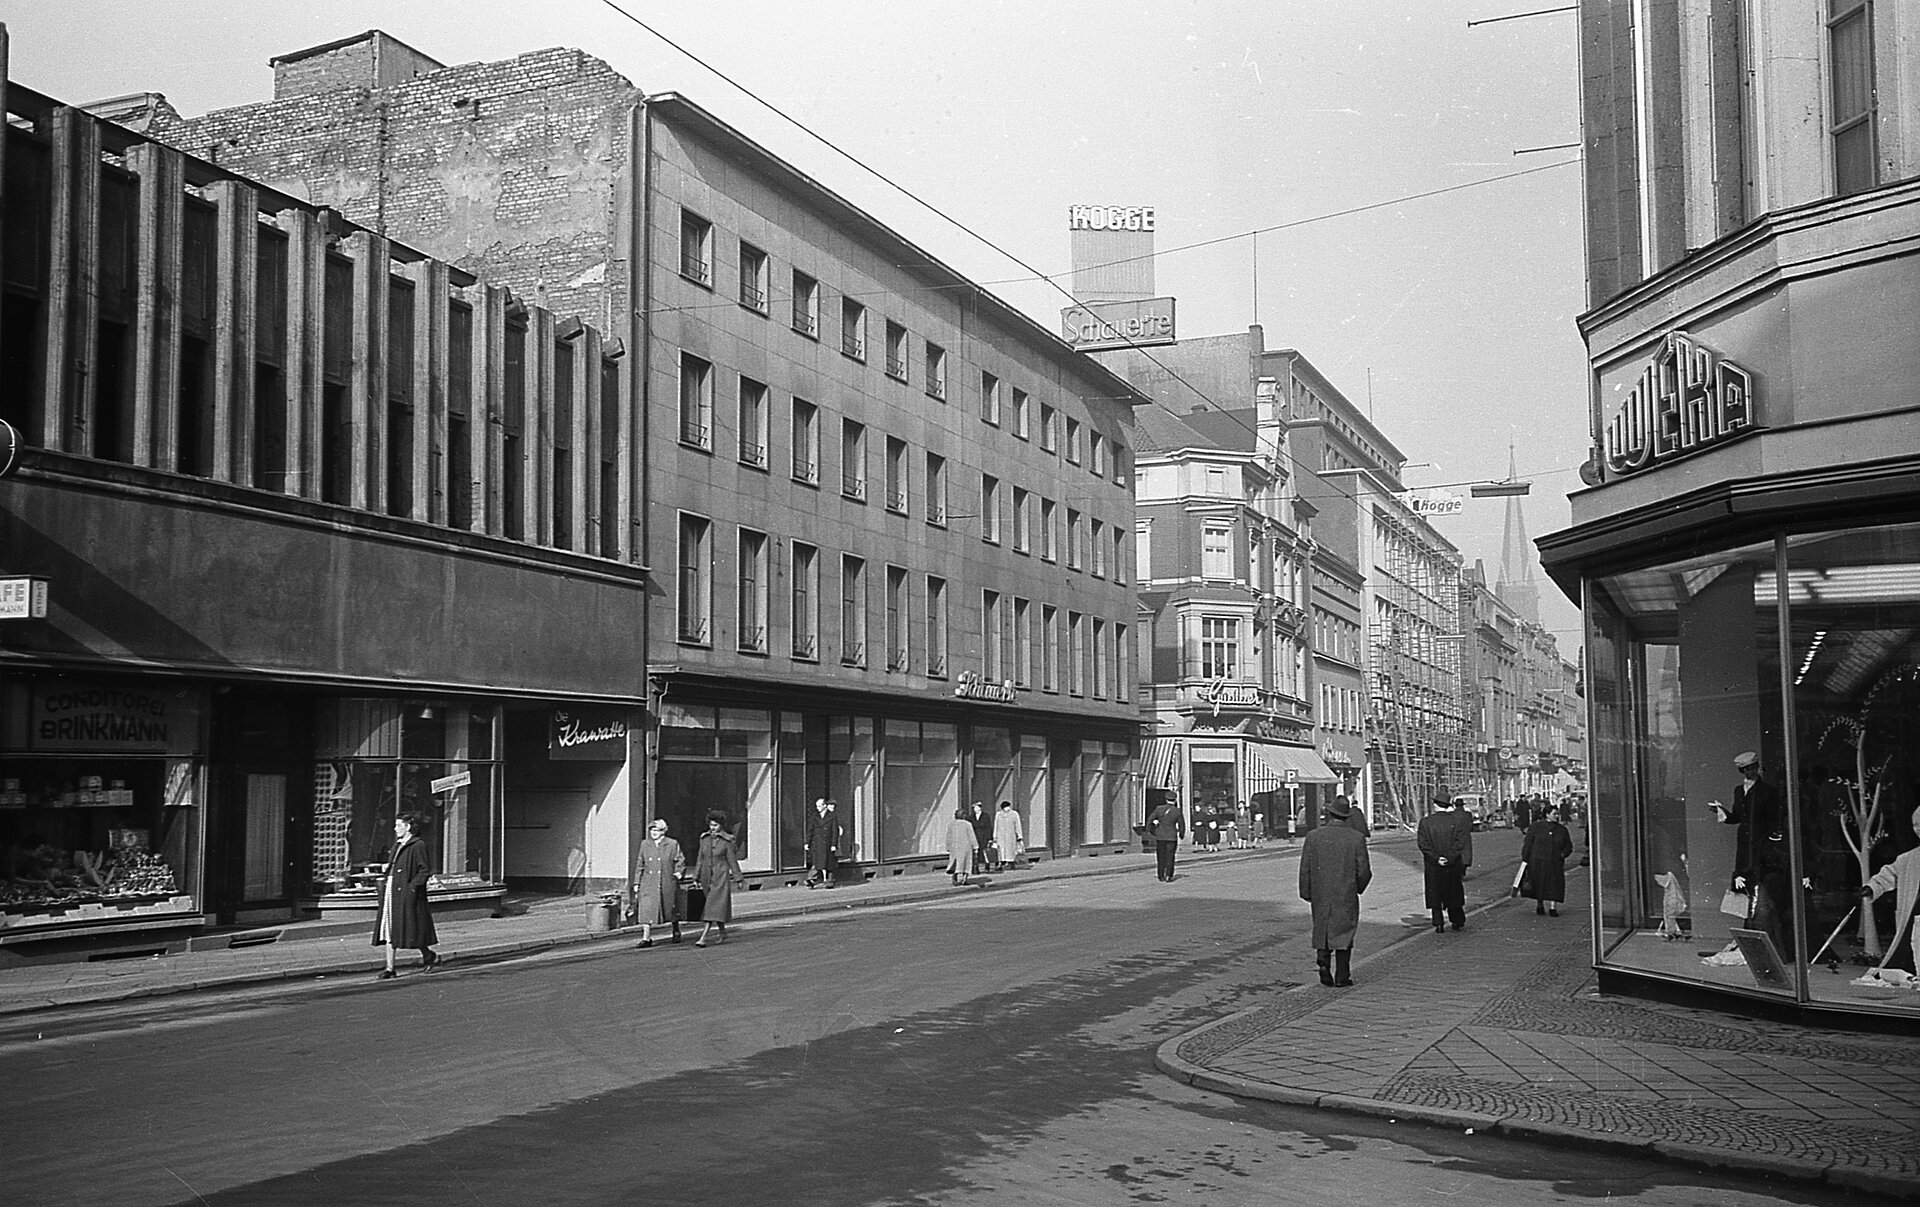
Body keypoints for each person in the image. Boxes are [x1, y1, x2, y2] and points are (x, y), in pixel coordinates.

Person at [1708, 751, 1797, 958]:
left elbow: (1775, 821)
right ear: (1742, 770)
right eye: (1747, 768)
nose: (1750, 771)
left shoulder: (1768, 791)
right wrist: (1721, 811)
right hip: (1745, 848)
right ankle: (1753, 940)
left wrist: (1771, 844)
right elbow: (1737, 817)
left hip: (1763, 847)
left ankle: (1771, 944)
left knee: (1763, 893)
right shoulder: (1739, 791)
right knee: (1748, 893)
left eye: (1753, 767)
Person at [1300, 795, 1373, 987]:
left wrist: (1307, 892)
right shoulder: (1356, 838)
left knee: (1322, 926)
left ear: (1329, 814)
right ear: (1347, 816)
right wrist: (1357, 887)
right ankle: (1342, 975)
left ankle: (1323, 960)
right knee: (1345, 931)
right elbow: (1364, 870)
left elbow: (1305, 867)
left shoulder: (1313, 836)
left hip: (1321, 892)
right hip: (1345, 892)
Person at [372, 810, 439, 978]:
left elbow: (424, 870)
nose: (395, 829)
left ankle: (429, 956)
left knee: (412, 929)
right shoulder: (398, 845)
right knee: (390, 927)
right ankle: (390, 968)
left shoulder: (418, 845)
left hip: (407, 892)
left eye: (398, 825)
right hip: (392, 890)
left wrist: (412, 888)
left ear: (408, 827)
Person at [1859, 805, 1920, 976]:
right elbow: (1890, 873)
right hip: (1915, 911)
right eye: (1915, 825)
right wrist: (1872, 887)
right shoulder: (1909, 858)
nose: (1918, 829)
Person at [1417, 794, 1472, 933]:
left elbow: (1423, 844)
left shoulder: (1425, 822)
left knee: (1435, 892)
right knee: (1453, 891)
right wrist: (1449, 857)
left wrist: (1437, 858)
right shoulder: (1456, 821)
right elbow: (1460, 842)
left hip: (1433, 865)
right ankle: (1457, 920)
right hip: (1452, 864)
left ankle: (1438, 923)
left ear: (1435, 805)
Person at [628, 817, 686, 948]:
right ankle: (646, 937)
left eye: (657, 830)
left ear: (663, 831)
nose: (654, 832)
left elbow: (680, 860)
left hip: (667, 881)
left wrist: (678, 873)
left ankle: (675, 929)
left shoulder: (672, 844)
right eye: (652, 830)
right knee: (646, 909)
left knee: (670, 908)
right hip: (648, 882)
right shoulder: (645, 844)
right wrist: (637, 883)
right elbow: (640, 864)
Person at [691, 811, 743, 947]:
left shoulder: (728, 840)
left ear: (721, 825)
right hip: (706, 876)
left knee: (711, 907)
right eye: (711, 825)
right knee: (715, 907)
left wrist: (738, 878)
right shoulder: (704, 838)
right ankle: (722, 932)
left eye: (716, 825)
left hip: (720, 877)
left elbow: (732, 861)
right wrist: (695, 876)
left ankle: (704, 937)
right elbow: (700, 858)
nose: (713, 827)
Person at [1519, 802, 1575, 917]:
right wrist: (1526, 859)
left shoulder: (1562, 829)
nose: (1557, 816)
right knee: (1539, 884)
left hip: (1554, 862)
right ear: (1547, 815)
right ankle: (1540, 905)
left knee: (1554, 884)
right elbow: (1528, 844)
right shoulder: (1535, 827)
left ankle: (1553, 908)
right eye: (1554, 814)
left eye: (1557, 814)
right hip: (1537, 861)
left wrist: (1562, 855)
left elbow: (1568, 845)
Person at [805, 797, 841, 889]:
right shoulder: (814, 816)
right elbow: (810, 830)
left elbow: (834, 831)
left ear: (824, 806)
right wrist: (807, 842)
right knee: (817, 862)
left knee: (829, 863)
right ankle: (811, 879)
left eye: (819, 806)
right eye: (816, 806)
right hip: (817, 843)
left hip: (828, 843)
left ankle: (829, 881)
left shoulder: (832, 816)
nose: (817, 808)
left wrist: (834, 844)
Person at [1148, 793, 1184, 882]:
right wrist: (1181, 834)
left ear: (1166, 799)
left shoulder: (1159, 809)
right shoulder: (1177, 811)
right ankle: (1169, 875)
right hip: (1171, 837)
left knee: (1160, 856)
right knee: (1170, 856)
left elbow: (1150, 820)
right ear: (1175, 800)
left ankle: (1160, 875)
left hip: (1160, 836)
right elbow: (1181, 824)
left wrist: (1150, 831)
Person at [945, 807, 979, 886]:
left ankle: (954, 877)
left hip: (955, 847)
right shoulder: (967, 824)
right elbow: (972, 836)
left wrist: (948, 846)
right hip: (966, 846)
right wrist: (975, 846)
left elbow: (948, 836)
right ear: (963, 816)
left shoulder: (951, 824)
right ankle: (964, 878)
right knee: (966, 863)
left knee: (955, 862)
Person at [992, 800, 1024, 872]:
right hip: (1001, 836)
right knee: (1001, 851)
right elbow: (996, 825)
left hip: (1010, 835)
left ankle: (1012, 863)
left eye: (1008, 806)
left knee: (1011, 850)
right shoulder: (998, 815)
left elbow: (1017, 825)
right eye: (1006, 807)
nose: (1007, 808)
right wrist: (994, 836)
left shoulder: (1014, 814)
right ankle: (1001, 863)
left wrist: (1019, 835)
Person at [969, 801, 994, 874]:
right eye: (974, 808)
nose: (975, 809)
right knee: (975, 853)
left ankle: (987, 865)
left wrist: (990, 838)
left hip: (984, 836)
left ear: (980, 808)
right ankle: (975, 867)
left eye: (977, 807)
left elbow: (989, 827)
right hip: (975, 836)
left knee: (984, 851)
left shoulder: (986, 816)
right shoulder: (971, 817)